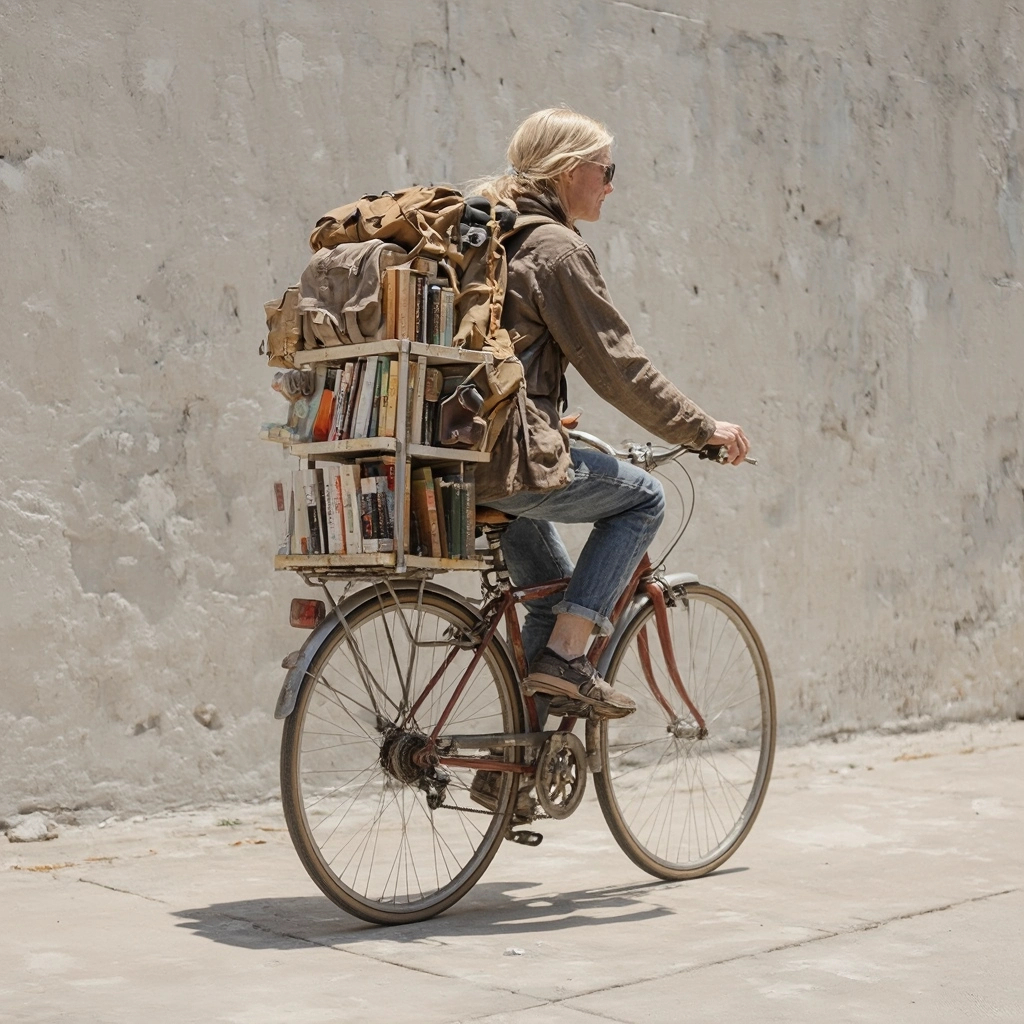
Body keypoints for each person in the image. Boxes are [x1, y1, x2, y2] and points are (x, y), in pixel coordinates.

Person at [472, 107, 750, 727]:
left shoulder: (491, 237)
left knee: (550, 598)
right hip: (506, 464)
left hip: (451, 464)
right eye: (606, 170)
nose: (611, 184)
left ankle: (509, 767)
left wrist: (540, 417)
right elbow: (620, 370)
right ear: (571, 172)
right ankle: (571, 658)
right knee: (644, 499)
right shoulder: (555, 249)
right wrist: (703, 429)